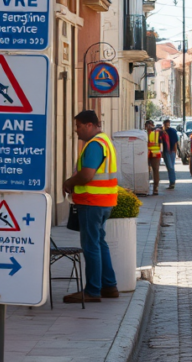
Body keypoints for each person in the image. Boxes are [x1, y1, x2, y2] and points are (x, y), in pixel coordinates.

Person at [62, 110, 118, 303]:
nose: (76, 131)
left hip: (91, 202)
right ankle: (109, 286)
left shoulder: (94, 145)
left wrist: (69, 182)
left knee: (91, 246)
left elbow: (86, 175)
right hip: (104, 202)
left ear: (89, 125)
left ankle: (93, 290)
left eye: (78, 126)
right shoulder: (106, 142)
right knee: (100, 243)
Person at [160, 118, 179, 190]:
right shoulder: (163, 132)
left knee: (170, 167)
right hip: (167, 151)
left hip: (169, 151)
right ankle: (172, 182)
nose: (167, 125)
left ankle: (172, 182)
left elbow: (175, 142)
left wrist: (175, 151)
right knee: (170, 167)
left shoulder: (171, 131)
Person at [146, 119, 162, 195]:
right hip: (145, 154)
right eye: (147, 126)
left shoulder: (156, 133)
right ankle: (146, 187)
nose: (148, 127)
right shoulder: (143, 133)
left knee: (155, 170)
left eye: (150, 125)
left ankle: (155, 188)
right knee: (146, 171)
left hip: (154, 154)